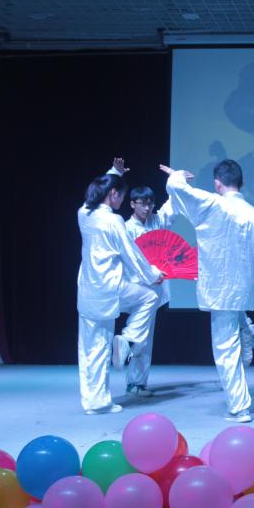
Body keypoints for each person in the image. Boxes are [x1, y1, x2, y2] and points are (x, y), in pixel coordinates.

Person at [161, 159, 254, 422]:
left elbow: (178, 189)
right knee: (237, 327)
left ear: (218, 184)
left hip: (223, 287)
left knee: (226, 347)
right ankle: (251, 333)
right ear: (240, 183)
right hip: (246, 287)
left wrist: (178, 174)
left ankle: (239, 406)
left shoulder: (215, 205)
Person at [77, 162, 163, 414]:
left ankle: (94, 402)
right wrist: (153, 274)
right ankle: (128, 338)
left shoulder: (83, 213)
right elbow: (132, 255)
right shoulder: (114, 221)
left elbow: (98, 191)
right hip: (110, 288)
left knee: (90, 349)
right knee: (149, 297)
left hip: (88, 291)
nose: (122, 201)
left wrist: (113, 174)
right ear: (113, 194)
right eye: (121, 196)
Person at [115, 181, 179, 397]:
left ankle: (137, 383)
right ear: (133, 204)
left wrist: (176, 183)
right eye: (143, 203)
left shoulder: (157, 221)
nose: (147, 207)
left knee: (146, 338)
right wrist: (148, 274)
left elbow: (172, 208)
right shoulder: (126, 228)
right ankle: (125, 347)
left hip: (154, 288)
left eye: (151, 203)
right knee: (139, 337)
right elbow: (128, 261)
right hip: (135, 288)